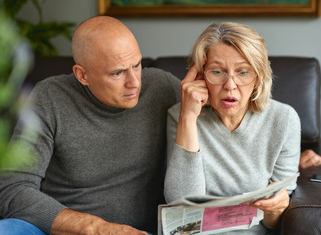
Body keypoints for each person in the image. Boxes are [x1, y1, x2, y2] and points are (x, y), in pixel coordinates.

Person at [0, 16, 180, 235]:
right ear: (82, 75)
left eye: (136, 65)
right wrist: (96, 228)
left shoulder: (162, 87)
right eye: (117, 72)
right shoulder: (48, 98)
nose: (134, 82)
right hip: (62, 230)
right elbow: (12, 188)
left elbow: (221, 117)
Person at [164, 22, 301, 234]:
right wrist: (188, 117)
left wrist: (275, 209)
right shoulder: (179, 116)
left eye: (243, 72)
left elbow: (273, 222)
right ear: (200, 75)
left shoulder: (284, 120)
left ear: (258, 77)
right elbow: (182, 205)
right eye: (217, 71)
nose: (230, 85)